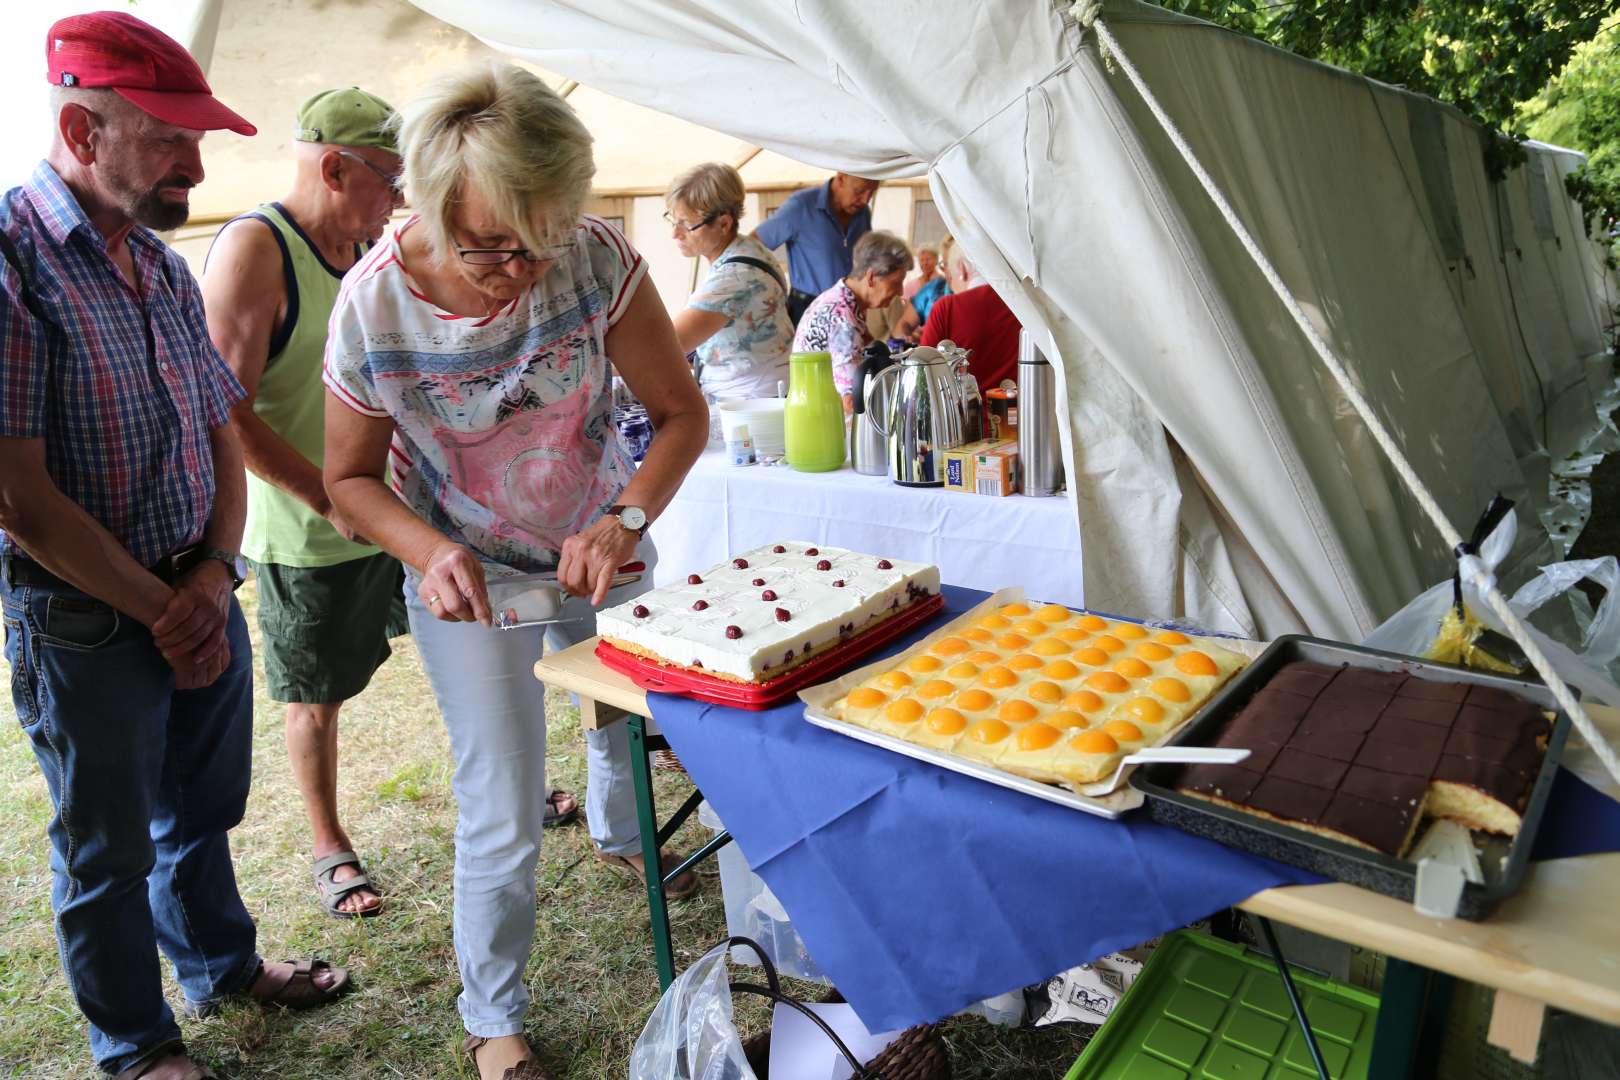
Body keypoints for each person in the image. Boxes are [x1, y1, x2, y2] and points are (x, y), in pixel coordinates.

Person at [322, 63, 708, 1080]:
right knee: (500, 799)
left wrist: (625, 517)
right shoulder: (372, 311)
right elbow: (348, 481)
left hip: (599, 536)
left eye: (539, 244)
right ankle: (493, 1017)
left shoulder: (592, 259)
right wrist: (427, 548)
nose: (519, 273)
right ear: (424, 201)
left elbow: (681, 414)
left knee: (626, 718)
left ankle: (625, 838)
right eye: (490, 247)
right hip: (467, 574)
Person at [0, 13, 350, 1080]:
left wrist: (210, 573)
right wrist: (167, 610)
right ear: (81, 129)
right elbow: (20, 498)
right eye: (171, 140)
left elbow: (218, 429)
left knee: (202, 807)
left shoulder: (155, 260)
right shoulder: (14, 263)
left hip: (193, 586)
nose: (198, 165)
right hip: (87, 618)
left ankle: (218, 963)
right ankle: (137, 1045)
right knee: (103, 848)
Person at [201, 88, 416, 921]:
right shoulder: (258, 251)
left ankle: (508, 783)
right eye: (391, 181)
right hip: (309, 526)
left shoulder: (365, 246)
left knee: (449, 643)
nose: (399, 202)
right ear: (334, 166)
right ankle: (329, 843)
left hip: (391, 509)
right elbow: (226, 409)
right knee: (312, 695)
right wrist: (325, 499)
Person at [666, 163, 793, 400]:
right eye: (673, 221)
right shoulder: (752, 249)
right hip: (766, 390)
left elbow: (665, 346)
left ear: (724, 223)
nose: (675, 233)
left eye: (686, 224)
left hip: (751, 403)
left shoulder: (734, 277)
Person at [792, 230, 913, 408]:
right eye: (895, 283)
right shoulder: (843, 319)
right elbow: (851, 401)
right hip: (821, 416)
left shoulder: (843, 299)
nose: (901, 291)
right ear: (871, 277)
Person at [754, 172, 879, 324]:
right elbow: (754, 245)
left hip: (850, 308)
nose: (866, 200)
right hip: (808, 308)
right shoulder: (801, 206)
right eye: (859, 191)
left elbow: (867, 257)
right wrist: (772, 292)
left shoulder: (863, 212)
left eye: (872, 193)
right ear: (841, 179)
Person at [920, 241, 1024, 389]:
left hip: (965, 410)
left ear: (962, 269)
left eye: (950, 276)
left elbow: (922, 375)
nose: (950, 285)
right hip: (1024, 409)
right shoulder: (1026, 303)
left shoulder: (947, 308)